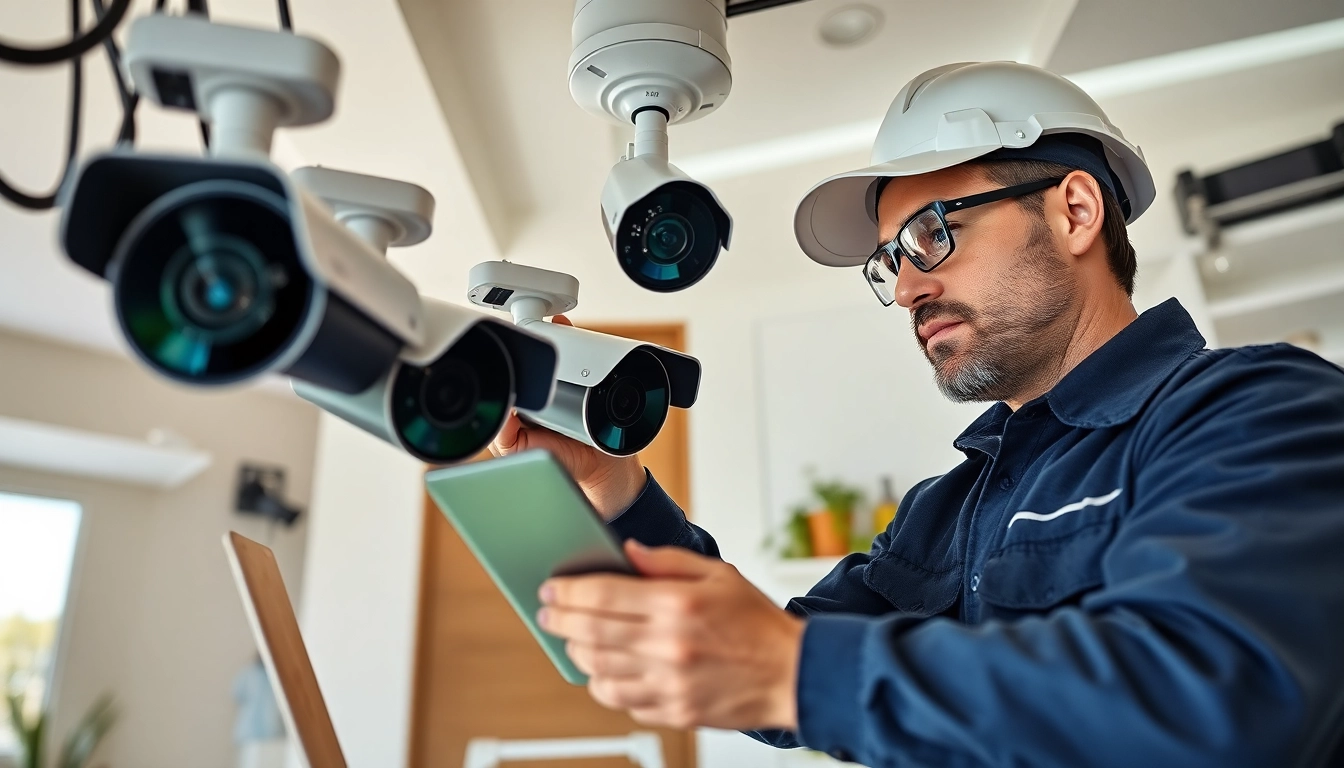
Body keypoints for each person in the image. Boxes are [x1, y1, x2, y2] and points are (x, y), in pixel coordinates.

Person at [490, 62, 1344, 766]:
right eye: (890, 259)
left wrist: (793, 670)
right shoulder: (947, 510)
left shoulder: (1253, 409)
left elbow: (1217, 700)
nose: (904, 286)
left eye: (934, 232)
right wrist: (613, 491)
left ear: (1075, 211)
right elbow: (767, 666)